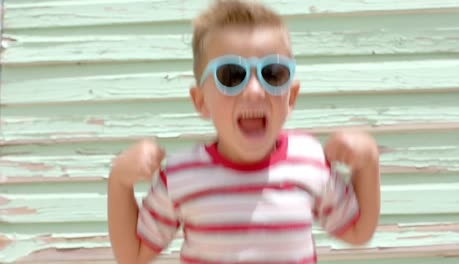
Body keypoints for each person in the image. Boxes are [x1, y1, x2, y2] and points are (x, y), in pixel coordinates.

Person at [107, 0, 381, 263]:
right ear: (201, 101)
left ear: (291, 97)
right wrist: (120, 182)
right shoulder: (182, 176)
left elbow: (358, 231)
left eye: (273, 74)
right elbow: (134, 254)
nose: (254, 91)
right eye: (231, 75)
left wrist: (367, 162)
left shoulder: (309, 162)